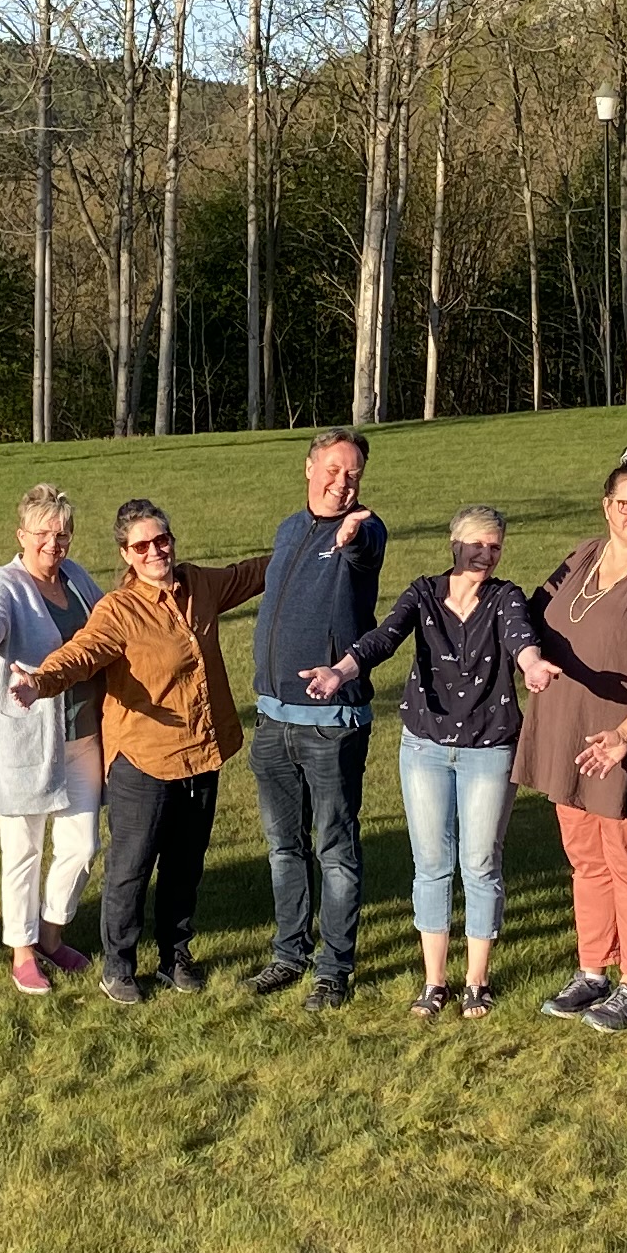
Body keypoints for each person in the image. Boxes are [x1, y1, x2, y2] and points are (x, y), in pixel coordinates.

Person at [12, 497, 281, 1003]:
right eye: (142, 545)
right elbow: (82, 652)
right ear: (126, 554)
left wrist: (316, 537)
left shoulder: (200, 584)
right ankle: (118, 966)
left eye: (162, 540)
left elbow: (255, 572)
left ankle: (175, 957)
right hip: (144, 759)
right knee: (131, 867)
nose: (155, 551)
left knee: (185, 863)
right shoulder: (119, 609)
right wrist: (39, 680)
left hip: (202, 751)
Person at [298, 504, 541, 1018]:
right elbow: (383, 638)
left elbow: (522, 640)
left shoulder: (505, 598)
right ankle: (435, 983)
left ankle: (477, 981)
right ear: (454, 544)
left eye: (494, 546)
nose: (485, 554)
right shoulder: (424, 593)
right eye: (476, 543)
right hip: (425, 747)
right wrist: (341, 673)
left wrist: (533, 664)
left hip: (489, 745)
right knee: (431, 866)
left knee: (479, 864)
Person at [511, 446, 627, 1035]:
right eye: (626, 504)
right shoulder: (583, 556)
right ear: (606, 506)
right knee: (586, 860)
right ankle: (593, 970)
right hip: (569, 731)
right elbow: (532, 613)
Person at [243, 429, 391, 1009]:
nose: (342, 482)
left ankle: (334, 967)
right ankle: (288, 954)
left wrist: (353, 533)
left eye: (352, 473)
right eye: (332, 470)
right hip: (273, 723)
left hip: (331, 723)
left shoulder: (365, 528)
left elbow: (362, 551)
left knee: (334, 846)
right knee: (284, 847)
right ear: (309, 468)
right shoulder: (288, 529)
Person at [0, 484, 106, 994]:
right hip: (27, 742)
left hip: (83, 733)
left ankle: (52, 934)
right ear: (22, 536)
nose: (53, 545)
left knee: (81, 846)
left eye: (62, 535)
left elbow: (110, 622)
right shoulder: (5, 583)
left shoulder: (76, 578)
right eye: (43, 534)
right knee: (23, 851)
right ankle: (22, 950)